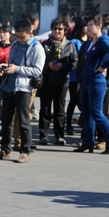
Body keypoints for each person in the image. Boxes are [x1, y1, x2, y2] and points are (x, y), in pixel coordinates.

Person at [0, 18, 46, 163]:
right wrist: (6, 67)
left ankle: (25, 151)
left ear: (30, 32)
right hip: (9, 85)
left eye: (22, 36)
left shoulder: (37, 47)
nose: (19, 39)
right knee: (6, 120)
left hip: (24, 88)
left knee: (24, 120)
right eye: (16, 36)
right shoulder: (15, 45)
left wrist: (16, 69)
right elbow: (13, 62)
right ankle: (5, 149)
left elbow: (37, 70)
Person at [75, 15, 109, 154]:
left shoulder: (103, 40)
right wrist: (81, 81)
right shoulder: (90, 42)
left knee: (97, 113)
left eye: (91, 25)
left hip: (97, 81)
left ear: (99, 26)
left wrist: (103, 66)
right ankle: (88, 142)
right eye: (87, 25)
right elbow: (86, 64)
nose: (88, 28)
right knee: (87, 113)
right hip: (87, 80)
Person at [39, 17, 78, 146]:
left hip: (62, 81)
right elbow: (39, 62)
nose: (57, 31)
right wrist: (48, 65)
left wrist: (62, 66)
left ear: (65, 30)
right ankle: (43, 135)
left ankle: (59, 135)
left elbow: (75, 63)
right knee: (45, 109)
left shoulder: (70, 45)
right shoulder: (45, 44)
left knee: (59, 110)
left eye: (60, 29)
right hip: (47, 80)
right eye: (55, 29)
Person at [66, 17, 89, 136]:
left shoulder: (91, 41)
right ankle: (68, 124)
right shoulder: (75, 42)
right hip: (75, 76)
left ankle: (84, 123)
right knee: (75, 100)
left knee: (84, 102)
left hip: (87, 76)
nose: (88, 28)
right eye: (86, 25)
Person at [0, 25, 12, 120]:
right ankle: (3, 124)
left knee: (10, 103)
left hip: (10, 78)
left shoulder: (14, 46)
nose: (2, 34)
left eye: (4, 32)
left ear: (10, 34)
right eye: (0, 32)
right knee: (1, 102)